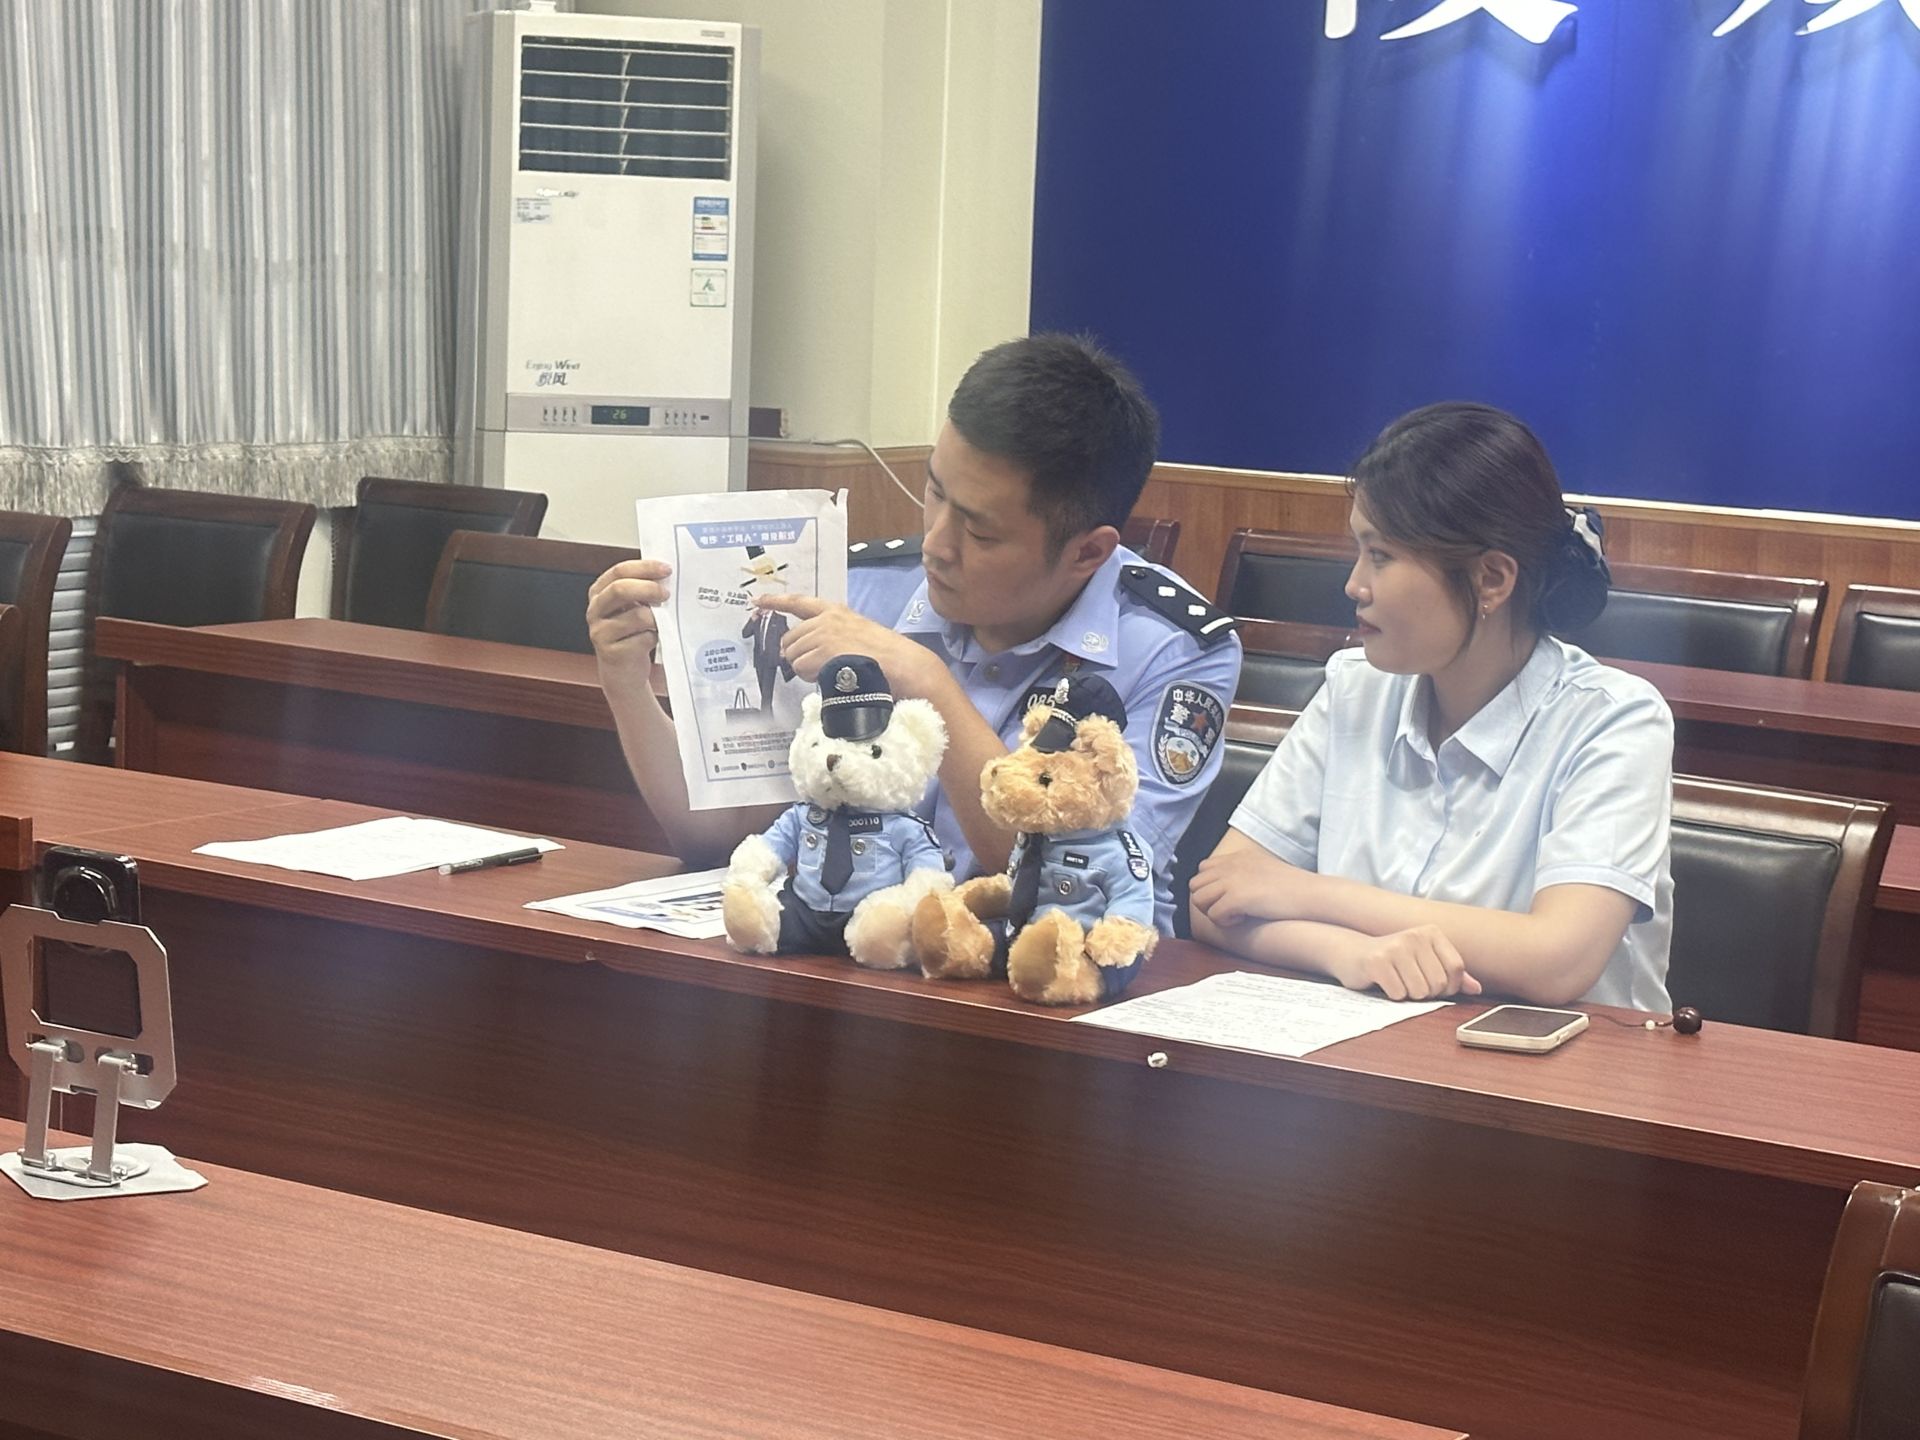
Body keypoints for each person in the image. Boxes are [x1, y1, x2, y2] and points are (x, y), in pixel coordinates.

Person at [587, 333, 1243, 934]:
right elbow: (717, 836)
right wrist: (626, 684)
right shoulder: (864, 587)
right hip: (863, 964)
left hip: (1055, 990)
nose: (935, 544)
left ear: (1087, 552)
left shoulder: (1176, 651)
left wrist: (926, 681)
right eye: (934, 492)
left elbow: (1078, 889)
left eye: (979, 532)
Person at [1189, 402, 1674, 1011]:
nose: (1354, 585)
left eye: (1381, 556)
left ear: (1491, 580)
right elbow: (1217, 901)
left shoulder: (1614, 720)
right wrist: (1349, 954)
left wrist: (1307, 893)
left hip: (1564, 1062)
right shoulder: (1354, 686)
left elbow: (1558, 959)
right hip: (1369, 1049)